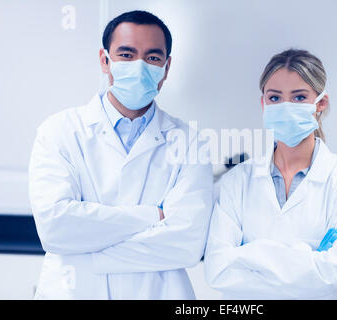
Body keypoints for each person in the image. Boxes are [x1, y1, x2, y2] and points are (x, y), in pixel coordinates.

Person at [28, 10, 213, 299]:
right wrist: (152, 216)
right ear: (105, 60)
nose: (139, 67)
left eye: (152, 58)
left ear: (166, 68)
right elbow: (55, 228)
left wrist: (90, 251)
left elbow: (187, 243)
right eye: (126, 55)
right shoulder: (58, 131)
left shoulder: (191, 143)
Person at [204, 49, 337, 299]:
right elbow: (218, 270)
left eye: (299, 97)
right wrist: (307, 257)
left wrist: (247, 254)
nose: (285, 107)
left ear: (320, 103)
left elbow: (332, 279)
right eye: (275, 98)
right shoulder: (238, 180)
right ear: (263, 103)